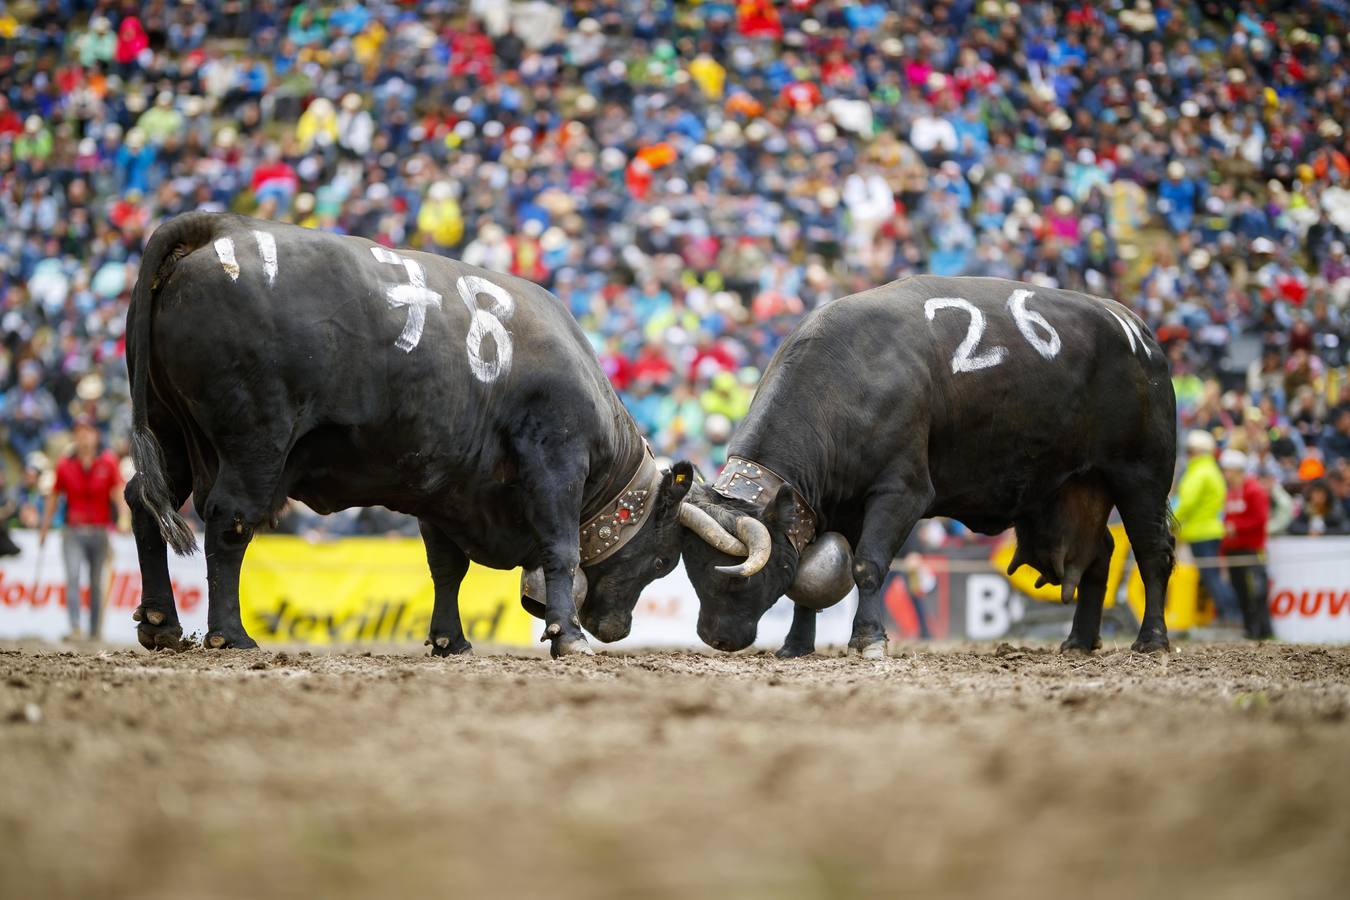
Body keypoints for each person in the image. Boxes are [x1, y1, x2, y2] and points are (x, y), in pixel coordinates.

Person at [38, 417, 128, 640]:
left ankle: (95, 630)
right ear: (74, 437)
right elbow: (54, 495)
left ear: (96, 435)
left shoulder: (108, 462)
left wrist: (124, 518)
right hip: (73, 531)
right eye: (79, 432)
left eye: (87, 431)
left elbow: (117, 491)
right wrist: (44, 527)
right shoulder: (64, 464)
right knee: (73, 578)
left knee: (97, 583)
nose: (83, 436)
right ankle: (75, 628)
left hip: (100, 530)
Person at [1173, 430, 1241, 627]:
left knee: (1212, 577)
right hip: (1208, 531)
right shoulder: (1211, 470)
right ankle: (1230, 616)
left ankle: (1231, 616)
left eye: (1190, 450)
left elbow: (1187, 502)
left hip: (1201, 532)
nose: (1188, 454)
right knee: (1212, 576)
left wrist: (1171, 522)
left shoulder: (1199, 472)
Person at [1219, 450, 1273, 640]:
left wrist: (1236, 527)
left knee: (1256, 592)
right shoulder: (1230, 493)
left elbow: (1260, 519)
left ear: (1236, 470)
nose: (1225, 474)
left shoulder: (1254, 490)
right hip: (1233, 550)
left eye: (1227, 470)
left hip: (1251, 549)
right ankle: (1250, 629)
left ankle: (1262, 630)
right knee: (1241, 591)